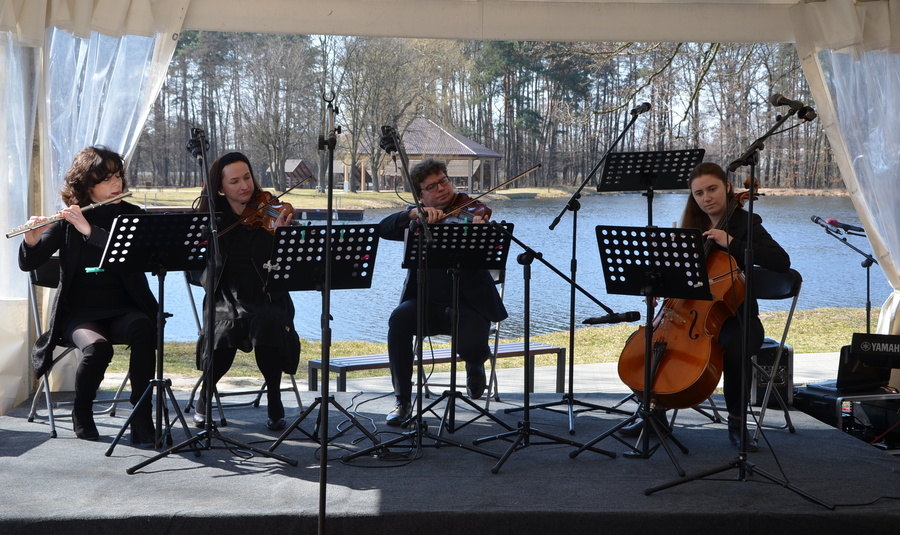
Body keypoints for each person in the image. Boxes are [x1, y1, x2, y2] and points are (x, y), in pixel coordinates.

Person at [620, 162, 791, 451]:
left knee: (735, 347)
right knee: (647, 343)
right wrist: (656, 288)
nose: (706, 198)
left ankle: (737, 424)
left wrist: (731, 242)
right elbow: (674, 272)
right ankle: (654, 415)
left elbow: (781, 262)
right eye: (699, 193)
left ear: (727, 187)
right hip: (688, 315)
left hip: (737, 317)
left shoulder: (747, 223)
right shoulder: (692, 226)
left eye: (712, 189)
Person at [18, 146, 157, 445]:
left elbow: (137, 258)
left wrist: (90, 231)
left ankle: (141, 413)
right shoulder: (69, 219)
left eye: (118, 176)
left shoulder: (132, 215)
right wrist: (31, 240)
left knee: (145, 328)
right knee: (98, 349)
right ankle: (81, 410)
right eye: (107, 178)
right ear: (87, 185)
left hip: (124, 308)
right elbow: (29, 263)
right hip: (79, 314)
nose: (117, 183)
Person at [378, 158, 508, 426]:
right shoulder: (417, 220)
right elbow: (383, 228)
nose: (441, 189)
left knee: (471, 348)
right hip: (427, 303)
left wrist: (479, 232)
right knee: (398, 320)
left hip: (471, 303)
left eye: (443, 181)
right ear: (421, 196)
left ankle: (475, 363)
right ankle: (402, 401)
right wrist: (413, 215)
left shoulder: (472, 211)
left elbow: (491, 248)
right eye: (432, 186)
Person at [193, 151, 301, 431]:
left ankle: (275, 396)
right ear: (220, 187)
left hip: (266, 291)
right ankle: (206, 394)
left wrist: (283, 237)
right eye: (234, 181)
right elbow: (196, 269)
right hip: (224, 294)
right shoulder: (212, 220)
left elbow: (288, 264)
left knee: (267, 321)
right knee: (225, 329)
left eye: (247, 177)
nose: (244, 186)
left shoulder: (271, 211)